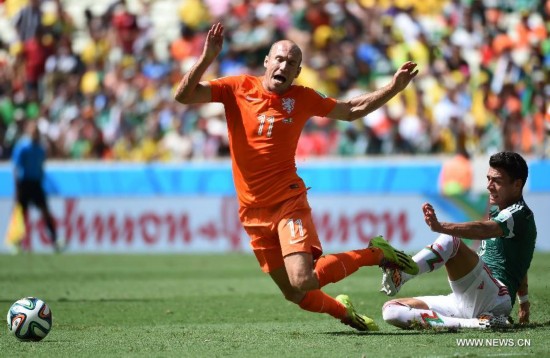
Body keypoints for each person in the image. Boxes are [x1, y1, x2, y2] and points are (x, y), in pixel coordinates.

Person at [174, 23, 419, 331]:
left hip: (287, 201)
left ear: (297, 72)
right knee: (294, 292)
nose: (283, 66)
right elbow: (184, 96)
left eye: (291, 63)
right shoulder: (237, 88)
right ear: (266, 61)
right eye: (279, 59)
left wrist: (393, 89)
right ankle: (345, 313)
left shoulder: (302, 98)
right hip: (251, 211)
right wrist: (208, 56)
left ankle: (377, 253)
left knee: (303, 278)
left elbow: (351, 109)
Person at [380, 151, 536, 329]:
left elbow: (483, 229)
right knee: (392, 310)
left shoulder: (518, 213)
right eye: (488, 179)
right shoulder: (500, 212)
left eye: (497, 181)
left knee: (450, 240)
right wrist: (524, 303)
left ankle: (402, 273)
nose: (489, 186)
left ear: (517, 185)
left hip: (494, 294)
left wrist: (441, 227)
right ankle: (476, 324)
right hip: (471, 296)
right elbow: (520, 261)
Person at [11, 120, 61, 252]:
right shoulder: (22, 147)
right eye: (33, 131)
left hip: (36, 184)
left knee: (45, 211)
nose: (35, 133)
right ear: (28, 132)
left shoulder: (40, 149)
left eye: (36, 131)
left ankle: (55, 240)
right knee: (22, 213)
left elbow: (41, 166)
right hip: (25, 183)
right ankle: (17, 241)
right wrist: (17, 187)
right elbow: (16, 167)